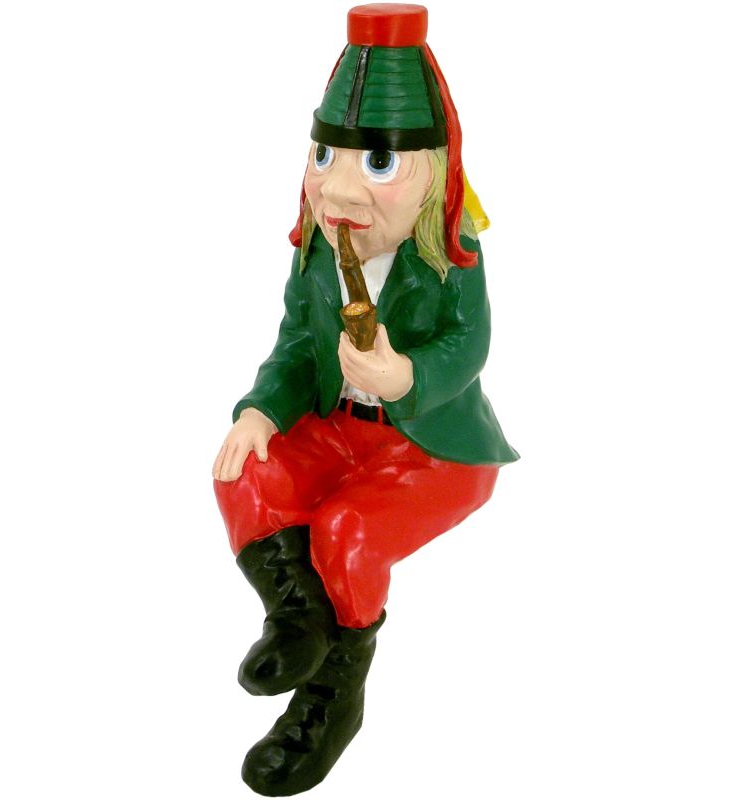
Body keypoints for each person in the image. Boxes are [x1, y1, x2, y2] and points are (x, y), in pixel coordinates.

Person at [212, 4, 518, 795]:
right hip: (337, 428)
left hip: (429, 447)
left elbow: (469, 345)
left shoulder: (453, 255)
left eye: (378, 162)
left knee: (346, 532)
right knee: (244, 470)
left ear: (433, 174)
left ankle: (334, 692)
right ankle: (299, 620)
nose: (339, 189)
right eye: (325, 156)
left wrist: (404, 377)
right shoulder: (316, 252)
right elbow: (295, 345)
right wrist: (261, 409)